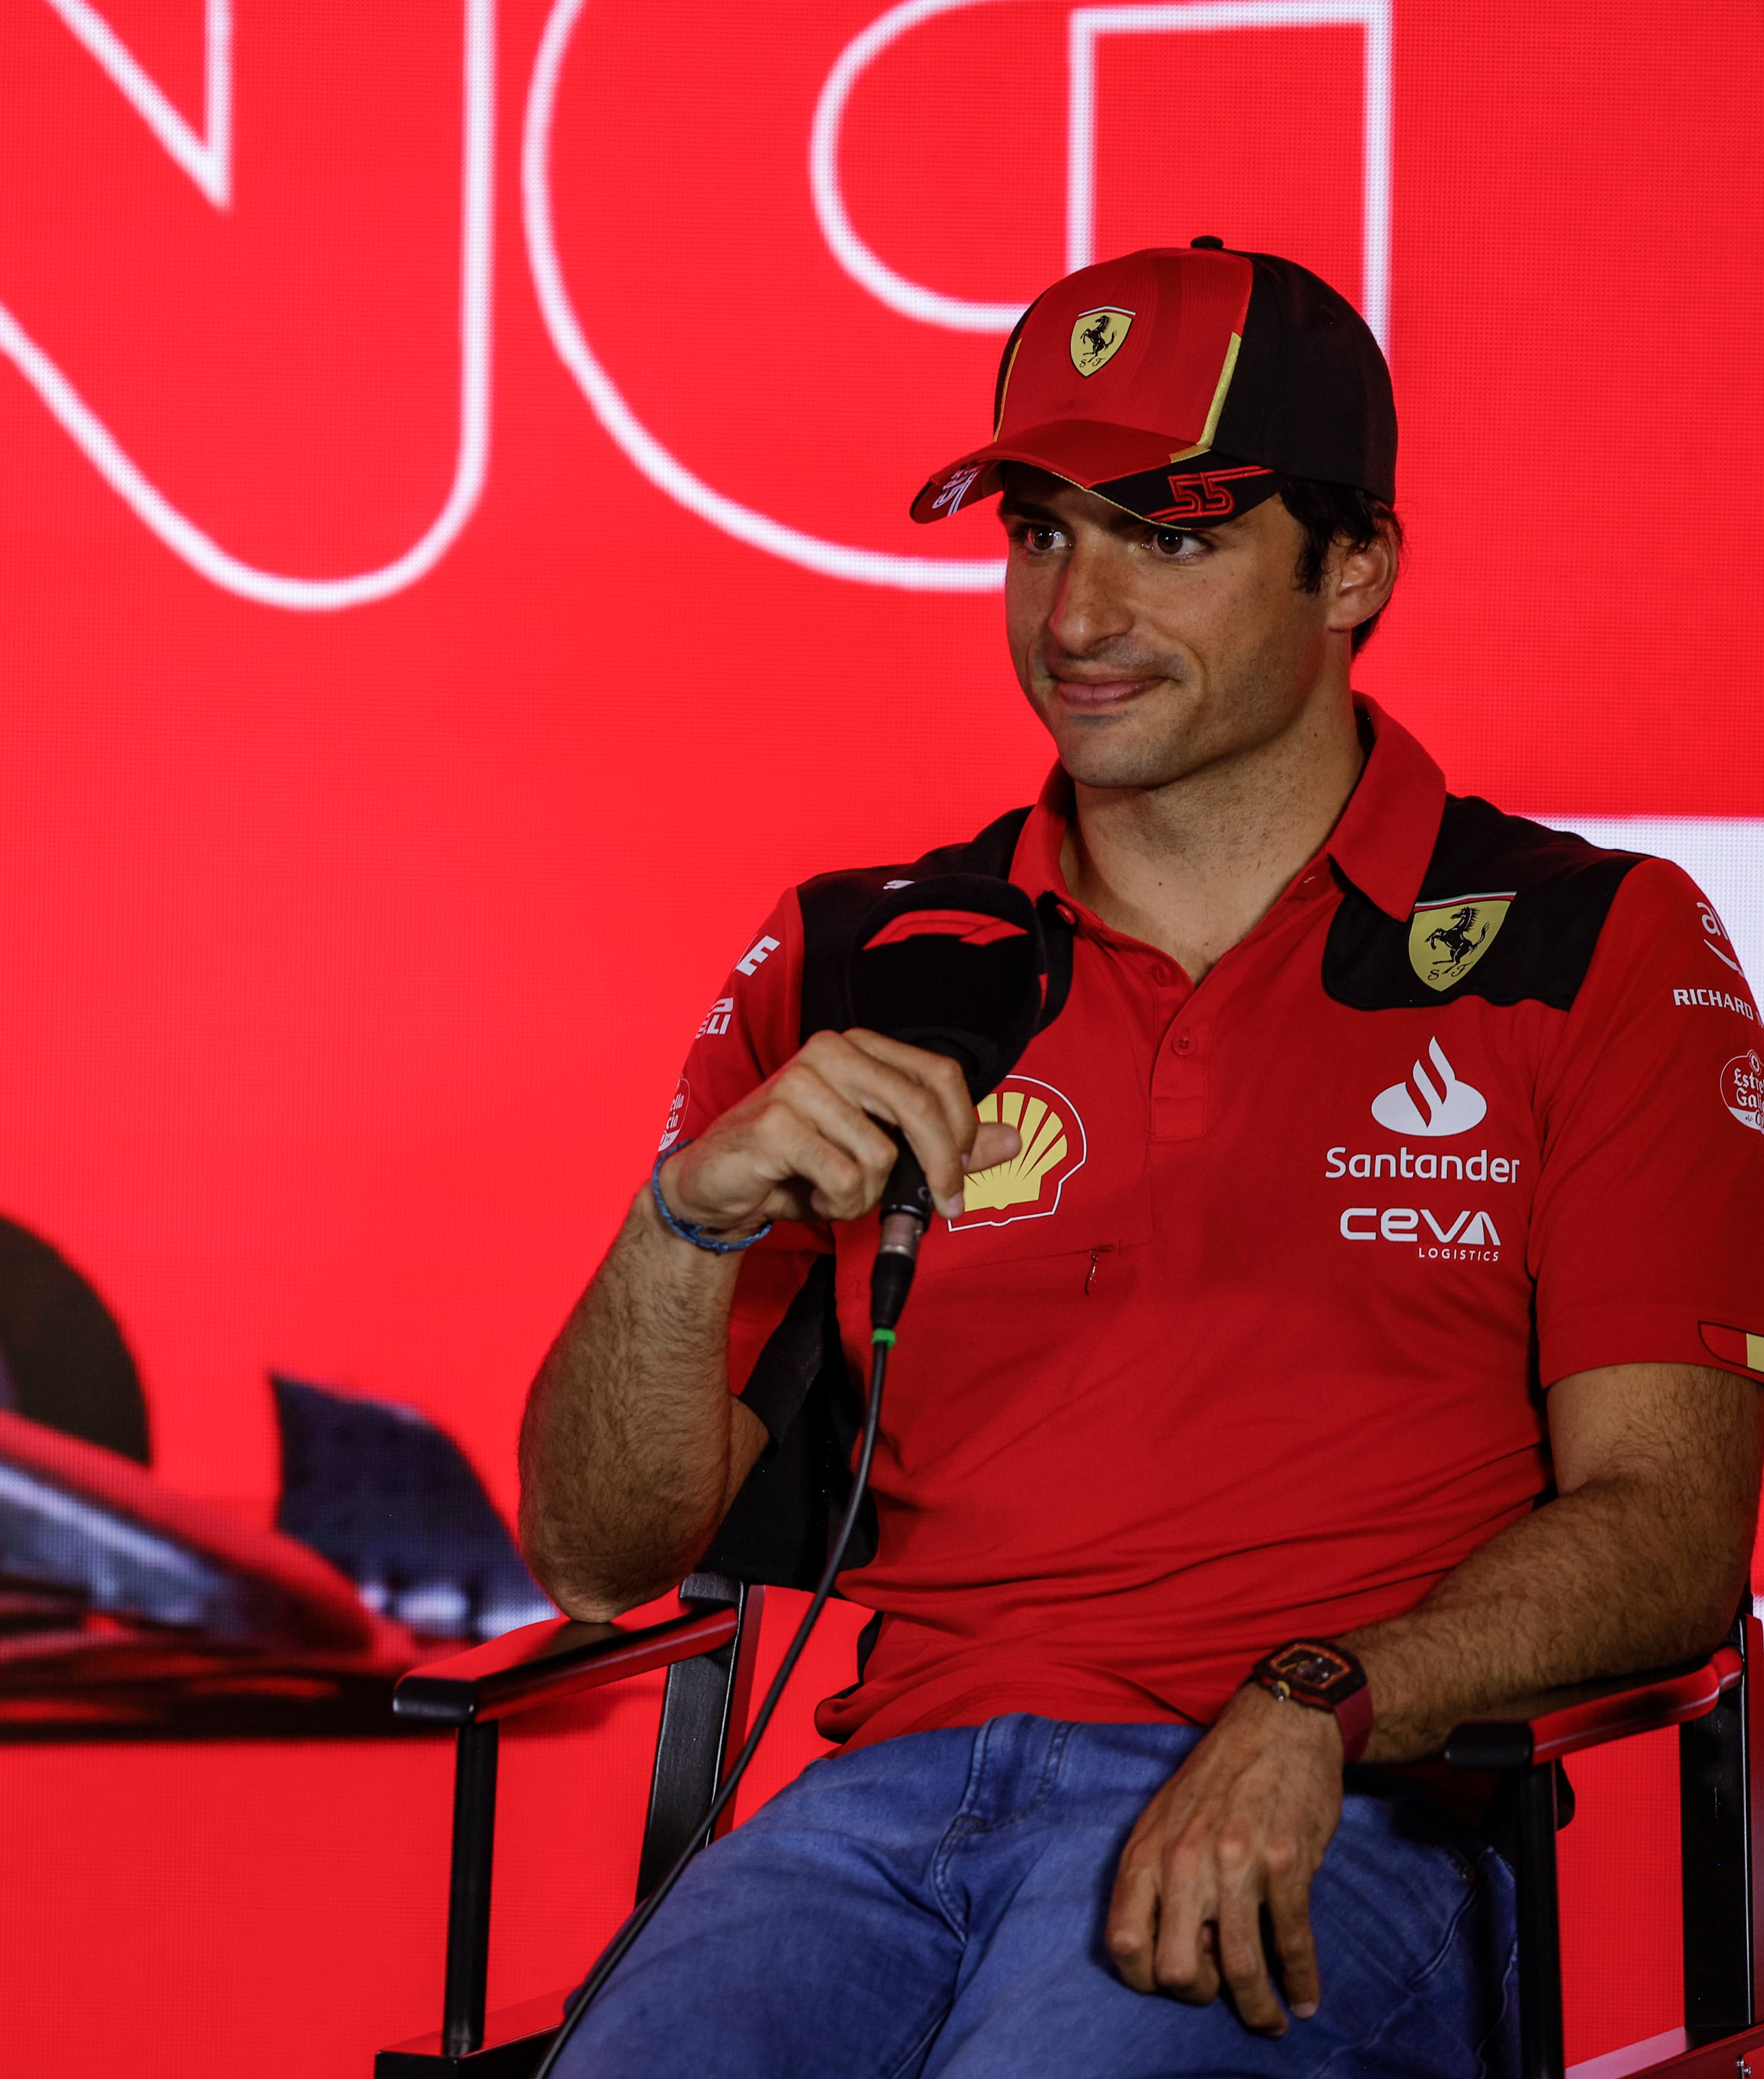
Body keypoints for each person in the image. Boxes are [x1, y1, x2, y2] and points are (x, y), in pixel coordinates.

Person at [518, 240, 1764, 2072]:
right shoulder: (862, 956)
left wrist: (1320, 1700)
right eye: (1039, 534)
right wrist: (675, 1230)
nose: (1077, 613)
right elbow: (587, 1561)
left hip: (1337, 1810)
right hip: (878, 1812)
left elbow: (1669, 1531)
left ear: (1353, 568)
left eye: (1167, 538)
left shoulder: (1587, 943)